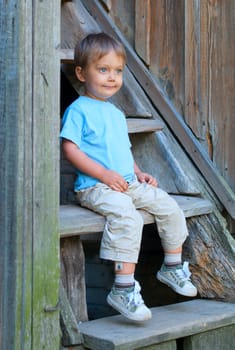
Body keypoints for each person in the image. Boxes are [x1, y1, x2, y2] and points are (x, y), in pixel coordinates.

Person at [60, 32, 197, 322]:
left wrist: (138, 172)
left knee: (167, 205)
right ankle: (122, 288)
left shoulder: (116, 113)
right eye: (103, 70)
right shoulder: (78, 110)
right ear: (82, 73)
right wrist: (104, 174)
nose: (112, 77)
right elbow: (70, 150)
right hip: (96, 185)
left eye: (118, 71)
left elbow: (122, 149)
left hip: (127, 182)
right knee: (128, 217)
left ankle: (171, 266)